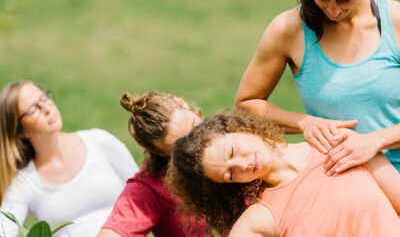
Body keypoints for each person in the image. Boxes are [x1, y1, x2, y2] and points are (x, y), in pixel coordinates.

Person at [234, 0, 400, 175]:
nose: (333, 11)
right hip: (340, 184)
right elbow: (245, 107)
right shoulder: (287, 30)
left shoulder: (395, 22)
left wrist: (376, 141)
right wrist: (304, 122)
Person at [167, 112, 400, 237]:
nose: (242, 164)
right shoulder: (259, 220)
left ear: (235, 129)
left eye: (232, 152)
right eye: (229, 174)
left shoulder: (339, 146)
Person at [0, 81, 139, 237]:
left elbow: (143, 195)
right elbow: (4, 229)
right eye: (33, 109)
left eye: (44, 98)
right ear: (20, 131)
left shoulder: (99, 142)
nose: (47, 108)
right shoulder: (25, 182)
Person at [98, 91, 205, 237]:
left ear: (181, 102)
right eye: (182, 146)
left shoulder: (229, 135)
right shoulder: (150, 188)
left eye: (195, 125)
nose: (199, 144)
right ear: (161, 152)